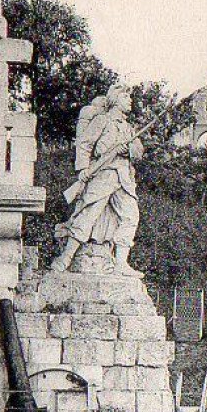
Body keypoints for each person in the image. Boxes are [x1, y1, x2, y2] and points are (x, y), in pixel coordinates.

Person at [52, 85, 143, 272]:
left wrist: (129, 150)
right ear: (115, 99)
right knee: (88, 214)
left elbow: (139, 152)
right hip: (103, 174)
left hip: (124, 178)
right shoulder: (102, 120)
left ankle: (120, 263)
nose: (130, 100)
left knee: (131, 217)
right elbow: (85, 144)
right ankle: (65, 258)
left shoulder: (128, 129)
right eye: (126, 96)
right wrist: (84, 169)